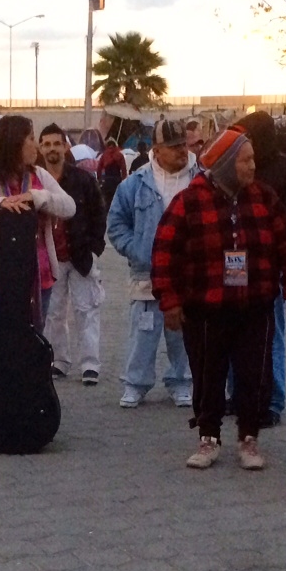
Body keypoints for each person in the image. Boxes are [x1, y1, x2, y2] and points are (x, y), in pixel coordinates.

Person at [152, 127, 286, 471]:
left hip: (256, 308)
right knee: (208, 374)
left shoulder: (264, 197)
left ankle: (249, 438)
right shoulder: (189, 201)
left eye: (253, 159)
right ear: (224, 163)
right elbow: (165, 253)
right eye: (245, 160)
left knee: (255, 375)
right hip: (204, 310)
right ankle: (208, 436)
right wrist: (170, 301)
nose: (253, 166)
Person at [0, 116, 75, 344]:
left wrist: (39, 197)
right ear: (14, 142)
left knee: (30, 349)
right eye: (31, 138)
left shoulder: (39, 176)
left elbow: (69, 207)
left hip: (37, 281)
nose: (36, 145)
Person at [107, 119, 195, 409]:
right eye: (172, 147)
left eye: (183, 144)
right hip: (146, 274)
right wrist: (136, 250)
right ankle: (135, 384)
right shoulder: (134, 184)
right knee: (143, 333)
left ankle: (182, 382)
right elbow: (116, 223)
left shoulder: (200, 180)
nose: (180, 151)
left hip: (188, 274)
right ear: (156, 151)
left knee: (183, 332)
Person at [236, 113, 286, 427]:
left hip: (271, 265)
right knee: (234, 331)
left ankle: (273, 401)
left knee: (271, 334)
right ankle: (237, 395)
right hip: (237, 263)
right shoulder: (235, 167)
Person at [38, 123, 106, 384]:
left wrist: (95, 249)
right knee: (53, 313)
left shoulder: (82, 180)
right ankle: (59, 361)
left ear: (66, 146)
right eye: (47, 144)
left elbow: (99, 214)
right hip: (48, 256)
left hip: (80, 255)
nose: (52, 149)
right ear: (40, 147)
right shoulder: (35, 180)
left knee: (86, 309)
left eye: (57, 143)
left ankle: (90, 364)